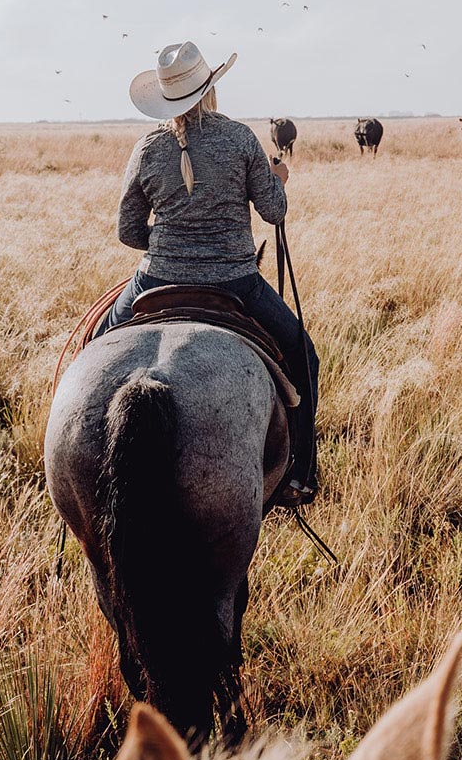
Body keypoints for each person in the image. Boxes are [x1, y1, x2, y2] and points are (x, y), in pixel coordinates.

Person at [97, 41, 320, 508]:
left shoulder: (146, 147)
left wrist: (169, 245)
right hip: (235, 281)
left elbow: (127, 230)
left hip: (155, 279)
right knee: (303, 356)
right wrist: (277, 179)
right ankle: (300, 472)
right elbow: (274, 212)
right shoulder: (239, 139)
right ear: (210, 89)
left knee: (94, 349)